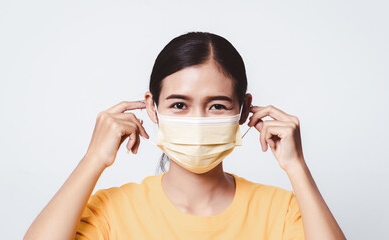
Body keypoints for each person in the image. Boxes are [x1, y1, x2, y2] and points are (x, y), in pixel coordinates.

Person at [24, 31, 346, 240]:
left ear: (244, 110)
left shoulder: (280, 211)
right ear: (152, 107)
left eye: (217, 106)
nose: (197, 120)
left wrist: (297, 167)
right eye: (179, 104)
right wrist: (93, 159)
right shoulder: (112, 210)